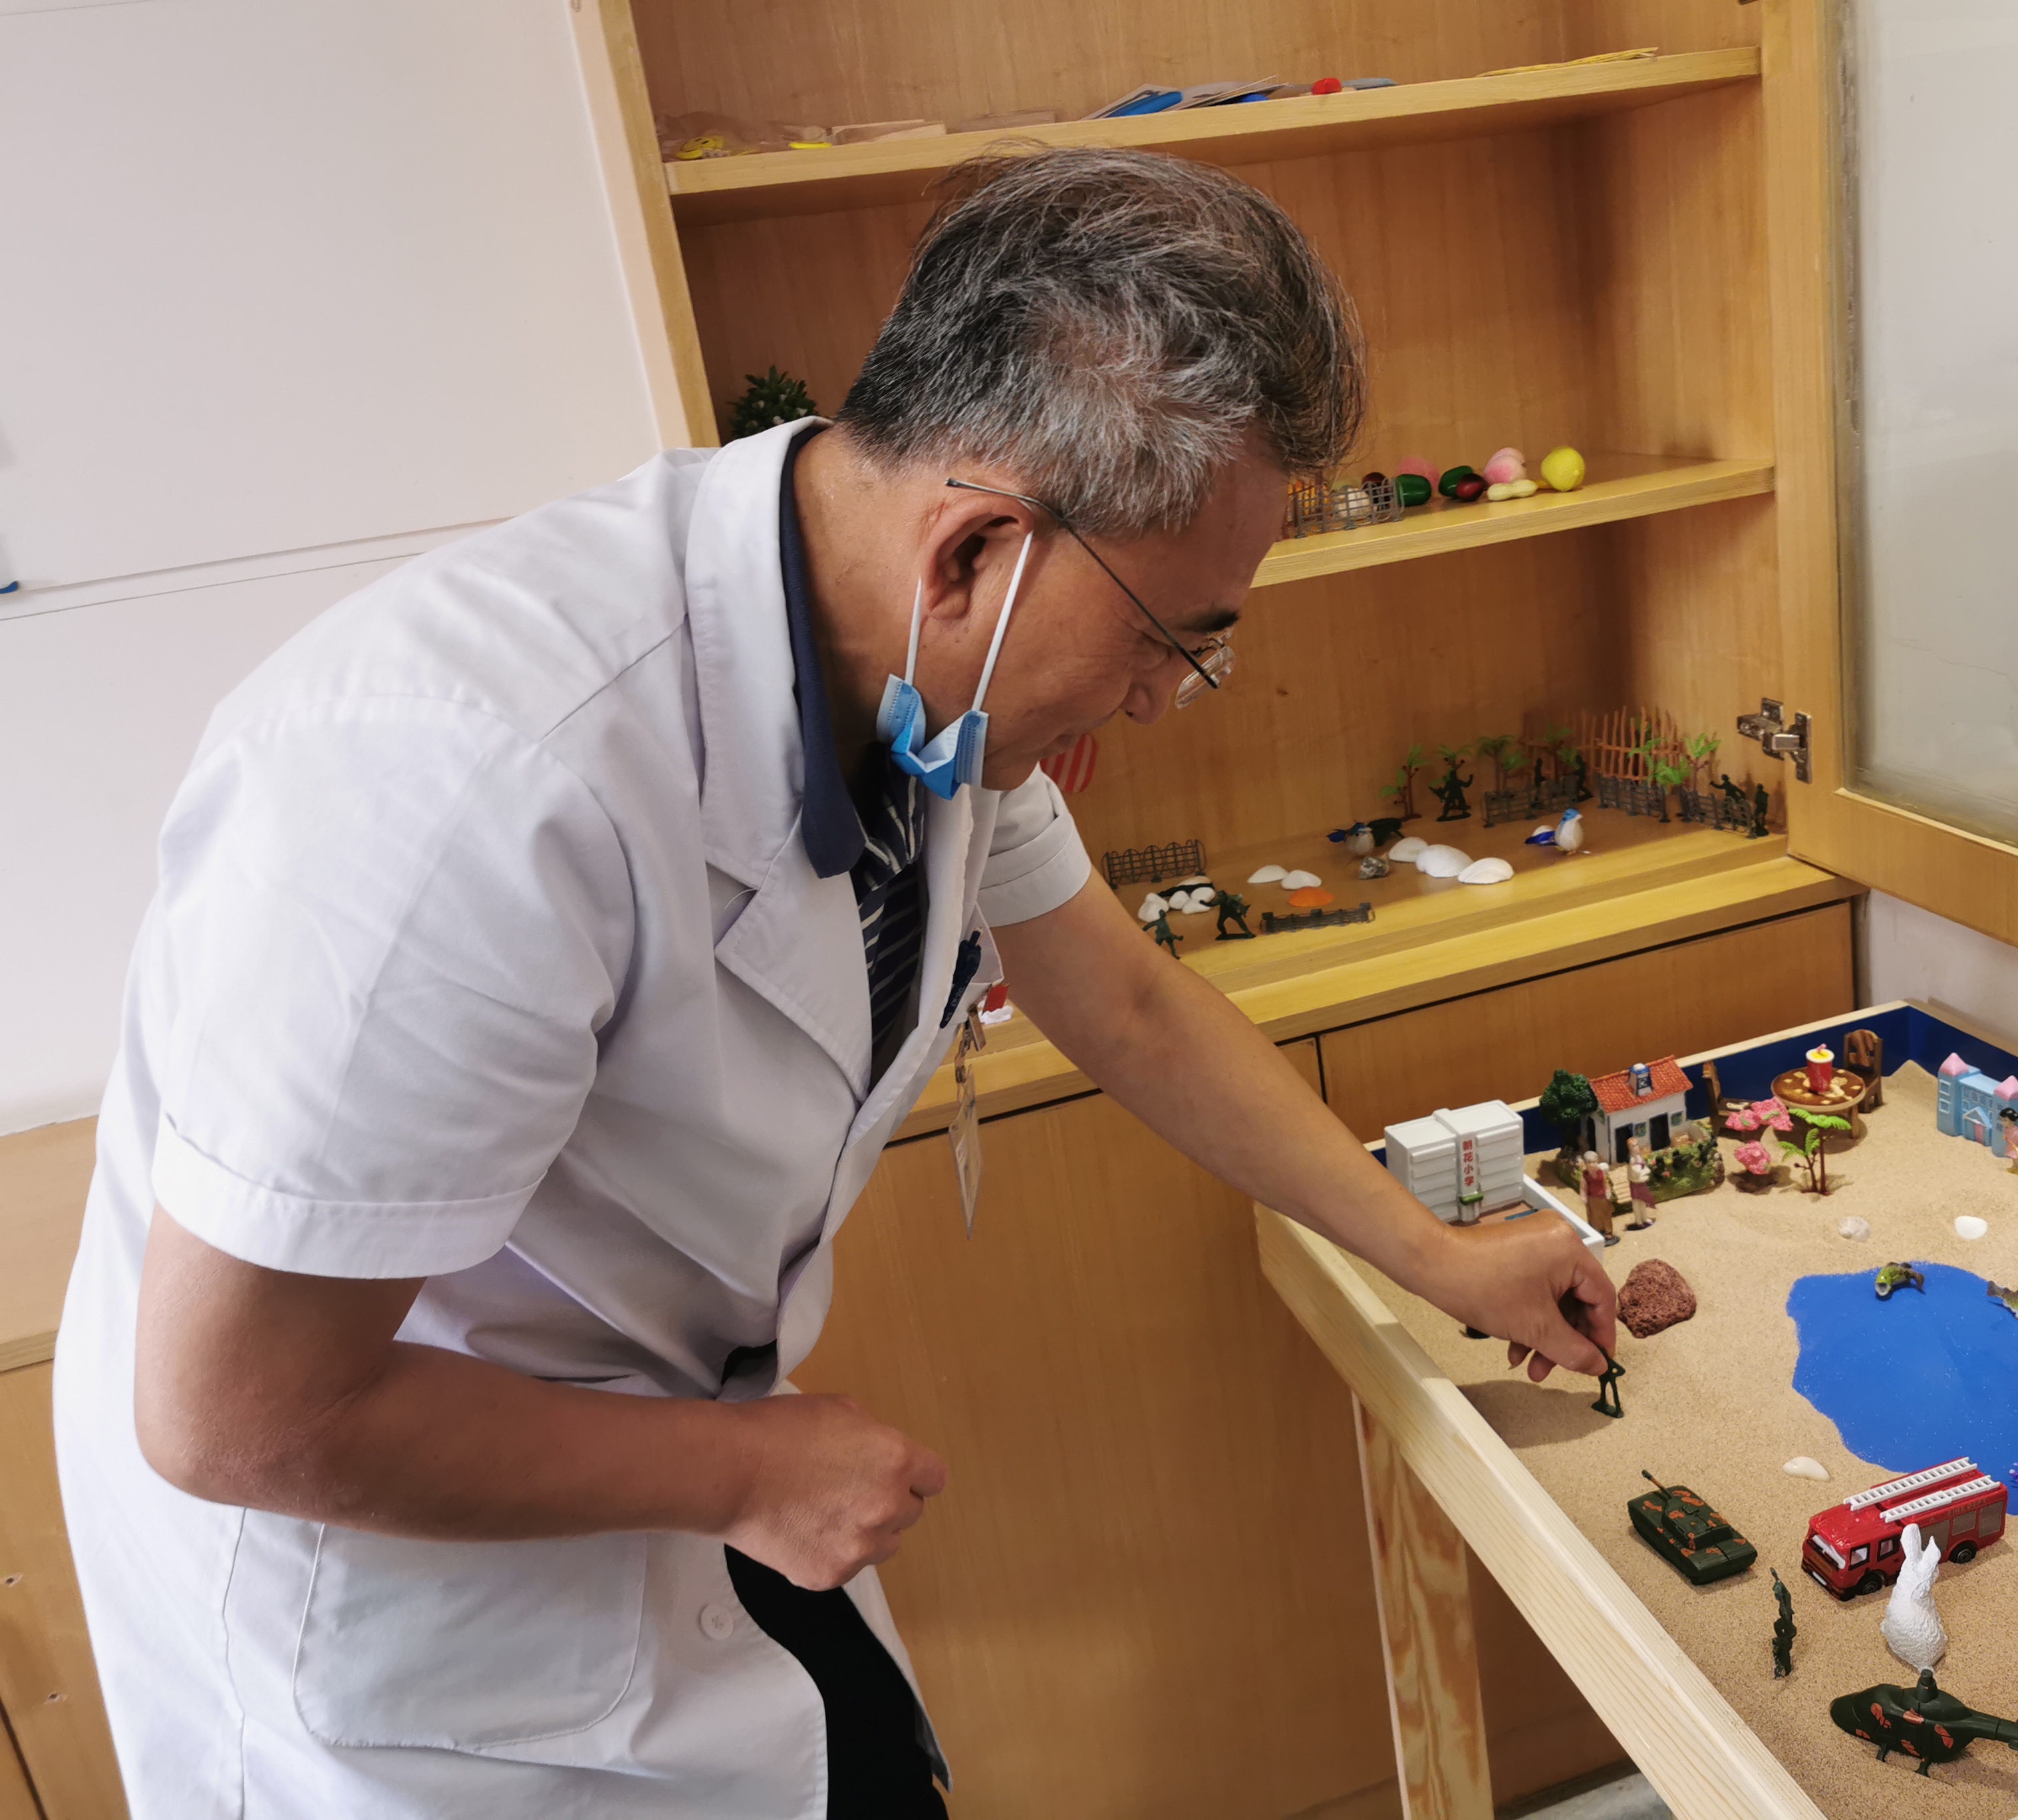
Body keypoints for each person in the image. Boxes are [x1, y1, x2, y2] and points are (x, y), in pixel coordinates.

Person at [50, 147, 1618, 1820]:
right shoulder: (458, 780)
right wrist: (737, 1465)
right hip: (403, 1620)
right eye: (1173, 637)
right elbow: (237, 1414)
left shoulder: (919, 676)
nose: (1170, 697)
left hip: (684, 1457)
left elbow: (1131, 1006)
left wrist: (1438, 1254)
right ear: (974, 549)